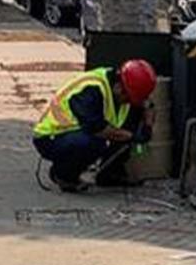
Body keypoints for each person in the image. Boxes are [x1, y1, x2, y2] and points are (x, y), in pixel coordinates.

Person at [31, 59, 157, 192]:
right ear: (119, 87)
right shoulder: (92, 90)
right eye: (127, 98)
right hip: (51, 137)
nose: (127, 102)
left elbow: (147, 104)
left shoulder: (121, 86)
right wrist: (132, 136)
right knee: (93, 143)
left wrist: (148, 125)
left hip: (75, 133)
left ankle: (109, 174)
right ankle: (63, 174)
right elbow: (96, 127)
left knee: (129, 121)